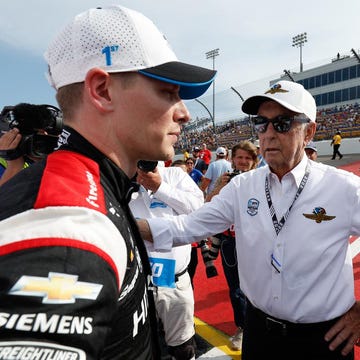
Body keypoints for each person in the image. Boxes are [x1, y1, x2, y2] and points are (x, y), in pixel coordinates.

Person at [0, 5, 216, 360]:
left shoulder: (93, 185)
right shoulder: (67, 220)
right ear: (102, 90)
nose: (184, 112)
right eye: (168, 92)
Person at [138, 80, 360, 360]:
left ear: (309, 133)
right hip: (259, 333)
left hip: (323, 339)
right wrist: (122, 225)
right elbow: (188, 226)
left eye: (282, 123)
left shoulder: (344, 188)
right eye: (261, 123)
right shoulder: (242, 187)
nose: (268, 133)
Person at [129, 162, 204, 359]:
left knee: (183, 347)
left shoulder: (174, 175)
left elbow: (198, 210)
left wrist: (159, 187)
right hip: (136, 284)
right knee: (139, 347)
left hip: (174, 280)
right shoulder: (121, 176)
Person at [206, 141, 259, 351]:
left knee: (260, 285)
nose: (244, 162)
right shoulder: (225, 180)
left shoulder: (262, 180)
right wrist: (219, 187)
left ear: (254, 161)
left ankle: (258, 325)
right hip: (230, 242)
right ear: (232, 159)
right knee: (236, 288)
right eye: (240, 158)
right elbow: (208, 206)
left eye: (248, 158)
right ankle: (242, 327)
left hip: (256, 241)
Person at [0, 103, 62, 186]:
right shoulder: (3, 164)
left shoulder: (62, 163)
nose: (42, 148)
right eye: (37, 141)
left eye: (49, 141)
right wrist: (14, 165)